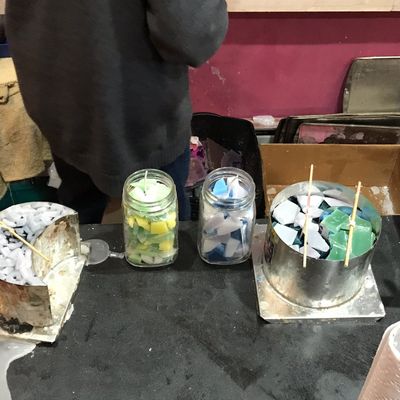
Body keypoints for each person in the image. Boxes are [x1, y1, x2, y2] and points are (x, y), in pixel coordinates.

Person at [5, 0, 228, 223]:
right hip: (141, 120)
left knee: (80, 223)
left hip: (58, 99)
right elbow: (193, 35)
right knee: (161, 232)